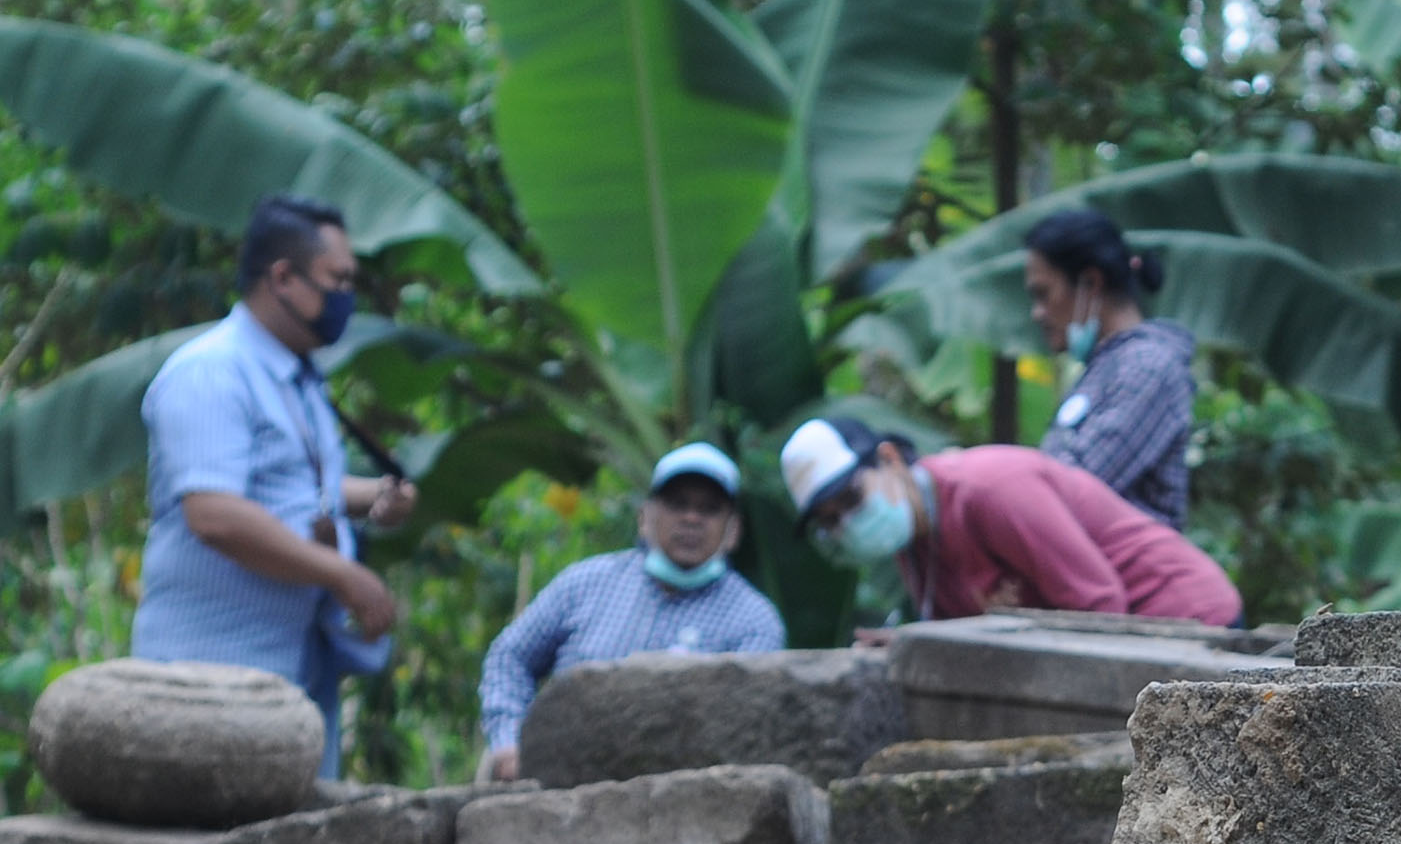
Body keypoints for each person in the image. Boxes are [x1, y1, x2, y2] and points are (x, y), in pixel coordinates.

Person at [132, 193, 417, 779]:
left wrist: (370, 499)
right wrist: (339, 572)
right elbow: (213, 512)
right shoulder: (212, 371)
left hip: (295, 668)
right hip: (211, 672)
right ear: (283, 278)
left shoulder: (299, 377)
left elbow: (290, 486)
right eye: (337, 280)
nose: (347, 297)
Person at [471, 444, 785, 779]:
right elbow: (509, 656)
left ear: (733, 530)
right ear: (645, 517)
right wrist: (508, 743)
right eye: (677, 504)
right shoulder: (584, 584)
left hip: (685, 793)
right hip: (562, 777)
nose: (691, 518)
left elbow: (748, 726)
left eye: (708, 509)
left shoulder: (754, 621)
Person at [778, 415, 1241, 630]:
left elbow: (1100, 603)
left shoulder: (990, 488)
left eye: (852, 498)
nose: (849, 523)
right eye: (831, 521)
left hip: (1181, 617)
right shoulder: (915, 542)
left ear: (890, 458)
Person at [1022, 210, 1197, 528]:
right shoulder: (1105, 367)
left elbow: (1072, 491)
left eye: (1043, 294)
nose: (1037, 313)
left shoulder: (1147, 366)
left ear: (1090, 282)